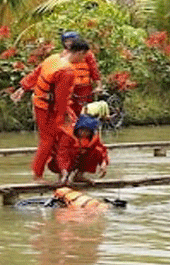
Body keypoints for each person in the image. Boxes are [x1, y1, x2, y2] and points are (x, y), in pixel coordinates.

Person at [15, 38, 89, 183]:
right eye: (83, 56)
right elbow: (61, 99)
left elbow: (36, 73)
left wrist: (23, 87)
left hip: (40, 103)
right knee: (48, 140)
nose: (83, 60)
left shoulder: (53, 58)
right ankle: (38, 175)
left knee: (56, 138)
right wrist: (63, 117)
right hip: (49, 108)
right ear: (79, 52)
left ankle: (62, 171)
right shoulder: (66, 71)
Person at [48, 114, 109, 185]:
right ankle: (63, 176)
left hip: (77, 159)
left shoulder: (94, 138)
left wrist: (103, 163)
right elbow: (62, 155)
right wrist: (64, 171)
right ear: (78, 128)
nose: (84, 133)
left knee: (96, 151)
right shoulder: (67, 135)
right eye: (82, 130)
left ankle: (79, 176)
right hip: (61, 161)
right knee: (67, 155)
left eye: (87, 131)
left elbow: (102, 150)